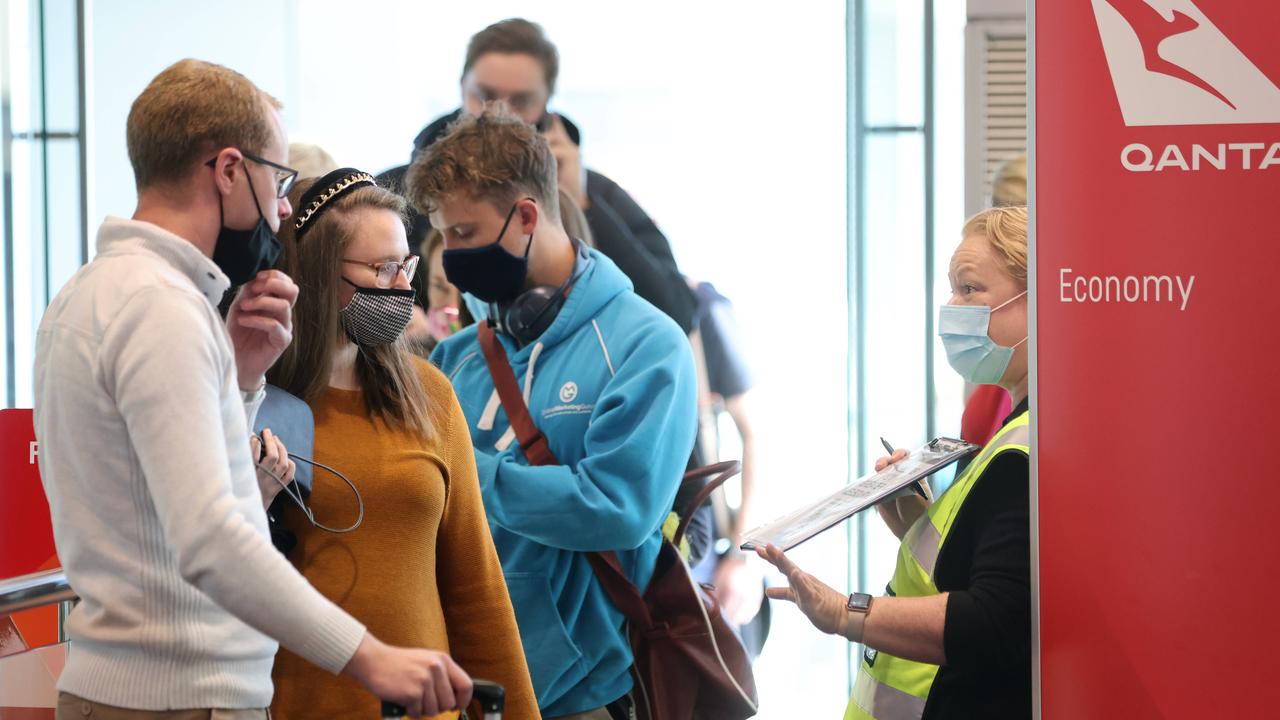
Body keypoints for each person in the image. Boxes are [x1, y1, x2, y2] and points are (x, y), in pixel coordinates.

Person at [33, 59, 471, 719]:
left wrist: (237, 380)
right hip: (178, 698)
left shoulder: (96, 291)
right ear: (229, 170)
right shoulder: (161, 307)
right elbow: (213, 537)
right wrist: (371, 657)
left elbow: (151, 503)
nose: (286, 209)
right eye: (279, 181)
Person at [407, 108, 698, 719]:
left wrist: (464, 472)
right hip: (463, 682)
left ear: (527, 217)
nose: (451, 257)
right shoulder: (461, 354)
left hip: (584, 689)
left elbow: (617, 507)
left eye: (463, 233)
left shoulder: (646, 346)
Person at [264, 168, 539, 719]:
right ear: (318, 274)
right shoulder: (257, 401)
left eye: (406, 266)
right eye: (382, 268)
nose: (401, 287)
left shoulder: (428, 394)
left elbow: (476, 586)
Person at [757, 206, 1032, 719]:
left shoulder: (1027, 450)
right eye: (952, 289)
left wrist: (844, 612)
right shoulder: (1015, 426)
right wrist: (914, 520)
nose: (952, 306)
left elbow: (994, 619)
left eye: (970, 290)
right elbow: (971, 567)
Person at [378, 17, 697, 334]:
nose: (498, 113)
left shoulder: (599, 194)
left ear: (547, 106)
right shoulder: (393, 194)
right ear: (462, 89)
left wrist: (581, 204)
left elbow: (675, 313)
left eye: (521, 101)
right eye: (485, 95)